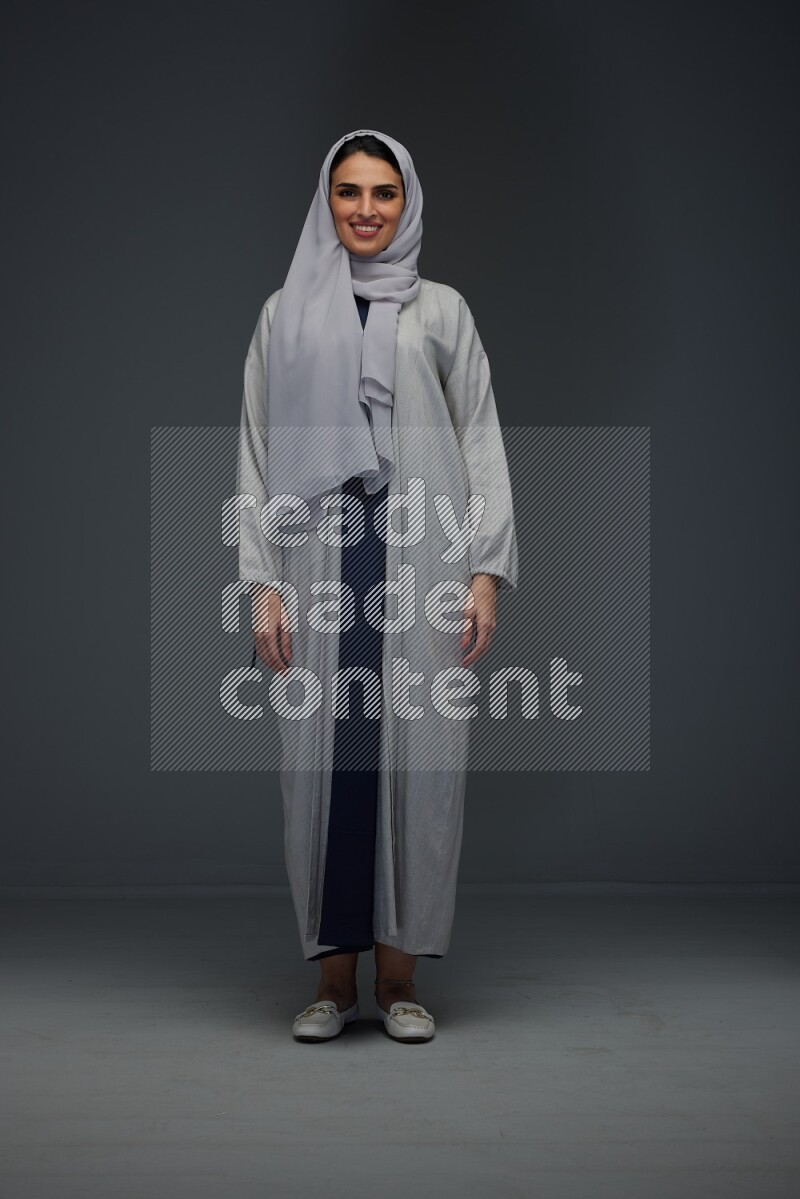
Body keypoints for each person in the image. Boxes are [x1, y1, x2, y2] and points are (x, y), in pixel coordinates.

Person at [236, 129, 518, 1042]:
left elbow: (480, 440)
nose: (365, 210)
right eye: (349, 192)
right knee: (320, 765)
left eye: (384, 194)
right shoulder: (285, 313)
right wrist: (262, 585)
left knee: (419, 762)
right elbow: (256, 453)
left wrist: (484, 569)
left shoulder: (441, 311)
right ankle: (330, 982)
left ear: (408, 202)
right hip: (320, 559)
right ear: (328, 201)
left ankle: (400, 983)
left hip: (418, 557)